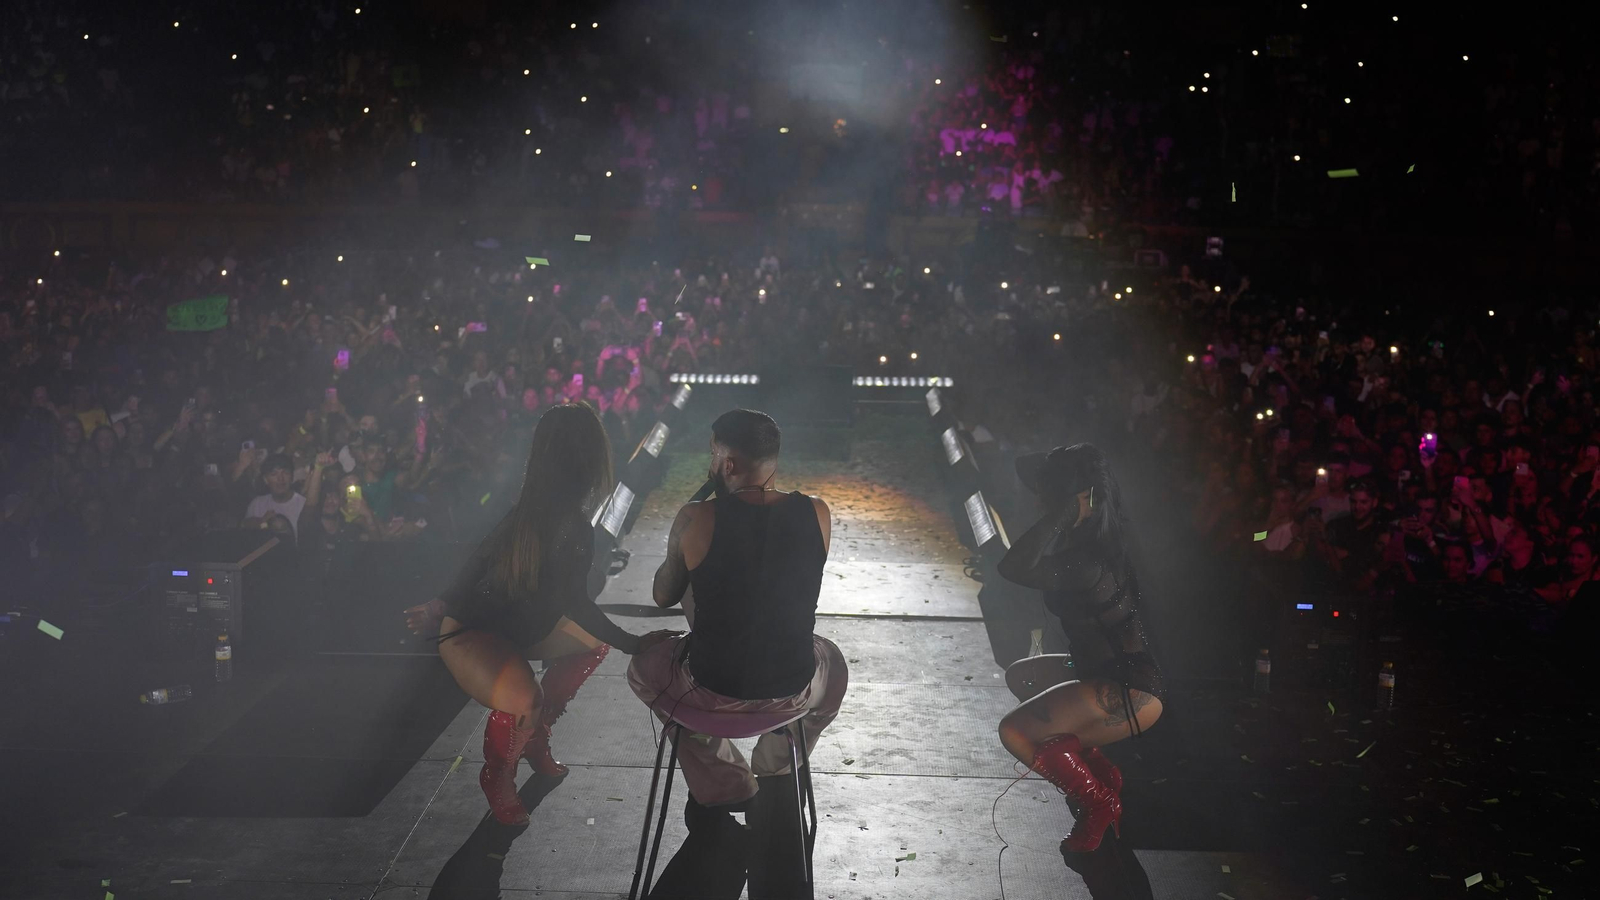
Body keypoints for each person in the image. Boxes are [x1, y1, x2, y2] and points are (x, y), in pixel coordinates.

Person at [404, 403, 676, 825]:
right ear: (589, 456)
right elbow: (568, 600)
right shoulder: (541, 515)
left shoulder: (553, 513)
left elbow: (485, 563)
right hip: (473, 634)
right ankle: (498, 774)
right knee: (524, 700)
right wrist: (635, 644)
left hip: (519, 630)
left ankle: (534, 734)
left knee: (590, 646)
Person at [626, 408, 849, 826]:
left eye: (713, 455)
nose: (710, 463)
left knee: (641, 670)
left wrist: (692, 516)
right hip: (792, 692)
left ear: (727, 464)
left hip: (710, 692)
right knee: (833, 664)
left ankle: (726, 783)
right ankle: (777, 765)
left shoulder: (696, 518)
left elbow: (663, 595)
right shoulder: (818, 512)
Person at [995, 443, 1165, 855]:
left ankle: (1099, 802)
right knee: (1022, 676)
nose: (1037, 499)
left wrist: (1064, 513)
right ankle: (1100, 772)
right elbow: (1024, 468)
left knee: (1014, 731)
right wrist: (1072, 507)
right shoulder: (1098, 541)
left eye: (1045, 493)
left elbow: (1011, 567)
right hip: (1107, 672)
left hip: (1131, 690)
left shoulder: (1086, 560)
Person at [243, 454, 307, 540]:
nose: (280, 478)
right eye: (274, 474)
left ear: (292, 477)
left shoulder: (303, 504)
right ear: (265, 479)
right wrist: (261, 522)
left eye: (285, 473)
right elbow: (244, 528)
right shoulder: (257, 503)